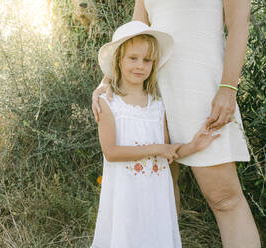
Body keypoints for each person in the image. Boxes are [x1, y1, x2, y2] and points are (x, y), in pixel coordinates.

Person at [92, 1, 261, 247]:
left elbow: (238, 23)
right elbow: (137, 27)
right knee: (159, 194)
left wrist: (228, 87)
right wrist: (107, 79)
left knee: (224, 198)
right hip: (149, 87)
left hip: (199, 87)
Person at [91, 21, 220, 248]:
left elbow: (167, 149)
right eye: (133, 58)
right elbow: (110, 152)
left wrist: (194, 145)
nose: (140, 65)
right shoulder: (108, 104)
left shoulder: (157, 105)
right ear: (118, 60)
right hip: (126, 195)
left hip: (155, 195)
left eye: (147, 60)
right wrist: (157, 149)